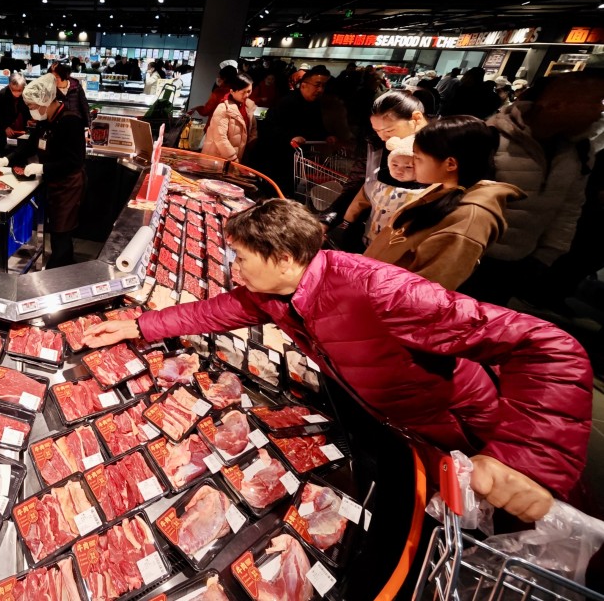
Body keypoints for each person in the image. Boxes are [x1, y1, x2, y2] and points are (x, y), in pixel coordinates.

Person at [85, 198, 592, 519]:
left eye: (240, 257)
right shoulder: (276, 290)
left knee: (512, 523)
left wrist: (524, 458)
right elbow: (221, 310)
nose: (232, 268)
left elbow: (548, 345)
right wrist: (137, 326)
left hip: (467, 426)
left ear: (284, 258)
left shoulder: (385, 292)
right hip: (400, 426)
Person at [461, 70, 604, 305]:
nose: (599, 111)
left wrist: (546, 256)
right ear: (556, 104)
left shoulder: (579, 150)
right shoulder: (489, 137)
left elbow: (569, 208)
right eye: (594, 101)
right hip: (468, 255)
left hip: (521, 261)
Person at [364, 116, 524, 290]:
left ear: (450, 163)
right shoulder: (440, 188)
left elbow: (426, 291)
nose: (413, 164)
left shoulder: (471, 219)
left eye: (418, 158)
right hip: (369, 286)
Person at [330, 91, 429, 248]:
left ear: (416, 118)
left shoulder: (440, 147)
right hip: (369, 233)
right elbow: (356, 184)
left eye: (389, 131)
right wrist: (328, 219)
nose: (383, 138)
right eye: (377, 131)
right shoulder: (377, 145)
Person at [14, 74, 86, 268]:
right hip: (52, 181)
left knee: (62, 231)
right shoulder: (45, 118)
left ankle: (59, 271)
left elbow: (74, 161)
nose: (31, 112)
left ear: (45, 100)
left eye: (31, 106)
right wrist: (5, 159)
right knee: (54, 228)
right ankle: (62, 263)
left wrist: (42, 167)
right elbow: (30, 145)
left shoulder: (71, 121)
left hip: (68, 184)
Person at [245, 65, 339, 198]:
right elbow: (269, 128)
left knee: (285, 193)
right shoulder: (286, 102)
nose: (320, 90)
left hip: (293, 161)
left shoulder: (315, 104)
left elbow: (316, 126)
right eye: (317, 85)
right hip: (272, 159)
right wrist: (291, 137)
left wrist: (326, 136)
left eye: (323, 86)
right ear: (304, 85)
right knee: (268, 195)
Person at [201, 73, 257, 162]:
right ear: (232, 91)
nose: (246, 95)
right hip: (217, 159)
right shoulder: (223, 108)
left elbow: (252, 128)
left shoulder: (248, 106)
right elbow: (220, 137)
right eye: (243, 92)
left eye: (249, 91)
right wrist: (233, 158)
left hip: (237, 159)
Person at [50, 59, 91, 126]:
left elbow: (85, 107)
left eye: (56, 77)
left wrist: (88, 126)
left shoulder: (76, 86)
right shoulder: (50, 89)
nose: (53, 79)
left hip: (76, 125)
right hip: (58, 126)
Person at [0, 72, 29, 140]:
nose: (17, 93)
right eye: (14, 90)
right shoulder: (1, 95)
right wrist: (4, 127)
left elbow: (27, 111)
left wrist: (29, 120)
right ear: (9, 86)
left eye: (20, 90)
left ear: (24, 87)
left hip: (22, 130)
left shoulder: (27, 94)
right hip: (4, 131)